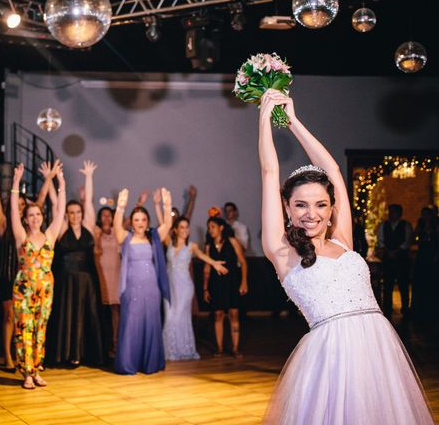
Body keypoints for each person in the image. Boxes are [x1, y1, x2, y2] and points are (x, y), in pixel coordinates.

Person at [258, 89, 433, 424]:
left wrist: (293, 121)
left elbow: (334, 169)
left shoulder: (342, 239)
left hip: (379, 350)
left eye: (321, 204)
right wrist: (265, 119)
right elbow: (269, 172)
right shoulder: (282, 253)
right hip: (331, 359)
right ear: (287, 209)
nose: (312, 213)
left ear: (331, 207)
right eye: (301, 205)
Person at [0, 158, 58, 370]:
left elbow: (41, 199)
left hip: (29, 278)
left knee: (31, 322)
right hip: (7, 274)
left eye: (23, 205)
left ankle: (31, 363)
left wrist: (48, 179)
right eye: (18, 204)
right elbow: (2, 207)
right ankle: (9, 357)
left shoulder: (31, 227)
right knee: (12, 318)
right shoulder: (8, 226)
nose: (20, 207)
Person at [10, 162, 66, 389]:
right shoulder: (20, 235)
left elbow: (60, 211)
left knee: (40, 329)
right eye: (30, 215)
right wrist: (15, 183)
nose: (34, 218)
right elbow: (13, 210)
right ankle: (26, 374)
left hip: (45, 289)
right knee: (24, 329)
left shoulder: (50, 235)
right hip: (24, 288)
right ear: (26, 219)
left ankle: (37, 369)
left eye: (37, 214)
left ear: (42, 217)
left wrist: (61, 184)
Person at [48, 160, 104, 366]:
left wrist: (89, 176)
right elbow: (56, 204)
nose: (75, 215)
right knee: (67, 315)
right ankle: (68, 354)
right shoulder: (62, 227)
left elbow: (88, 200)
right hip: (66, 280)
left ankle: (85, 354)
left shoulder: (89, 224)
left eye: (77, 212)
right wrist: (56, 180)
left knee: (86, 315)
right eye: (71, 212)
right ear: (67, 214)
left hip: (88, 279)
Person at [113, 188, 172, 375]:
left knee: (151, 323)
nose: (139, 223)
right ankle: (128, 363)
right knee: (131, 322)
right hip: (131, 287)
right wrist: (120, 207)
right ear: (131, 222)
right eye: (136, 220)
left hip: (151, 288)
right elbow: (116, 228)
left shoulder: (154, 237)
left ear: (147, 222)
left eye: (143, 220)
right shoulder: (126, 237)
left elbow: (168, 224)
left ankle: (149, 363)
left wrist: (167, 204)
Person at [160, 216, 227, 361]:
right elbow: (163, 224)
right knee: (169, 317)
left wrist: (215, 263)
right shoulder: (168, 242)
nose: (185, 230)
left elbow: (203, 256)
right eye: (182, 227)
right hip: (170, 287)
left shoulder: (192, 246)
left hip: (184, 287)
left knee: (179, 317)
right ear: (176, 230)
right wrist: (161, 205)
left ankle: (183, 350)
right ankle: (169, 350)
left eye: (187, 227)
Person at [203, 216, 248, 358]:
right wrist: (205, 288)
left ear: (221, 227)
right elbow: (206, 269)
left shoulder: (232, 241)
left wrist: (244, 282)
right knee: (218, 314)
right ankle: (220, 348)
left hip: (232, 282)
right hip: (216, 283)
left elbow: (243, 262)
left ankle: (235, 348)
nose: (210, 230)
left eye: (213, 227)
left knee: (234, 314)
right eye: (209, 227)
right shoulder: (208, 246)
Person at [376, 203, 414, 318]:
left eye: (394, 212)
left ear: (399, 213)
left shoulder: (406, 225)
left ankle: (405, 309)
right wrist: (387, 251)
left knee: (403, 284)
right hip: (388, 259)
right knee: (388, 285)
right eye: (390, 212)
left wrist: (396, 251)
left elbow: (407, 241)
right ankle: (387, 309)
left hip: (401, 259)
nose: (391, 214)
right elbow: (381, 239)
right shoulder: (383, 225)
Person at [94, 206, 121, 357]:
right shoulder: (96, 233)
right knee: (102, 310)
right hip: (101, 275)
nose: (106, 218)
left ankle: (116, 344)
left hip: (116, 275)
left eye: (109, 215)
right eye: (103, 215)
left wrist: (138, 203)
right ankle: (104, 345)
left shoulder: (117, 232)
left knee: (115, 310)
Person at [411, 206, 439, 323]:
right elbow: (413, 238)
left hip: (433, 254)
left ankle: (433, 310)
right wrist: (420, 240)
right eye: (423, 214)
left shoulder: (436, 224)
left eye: (427, 214)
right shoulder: (421, 224)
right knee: (420, 282)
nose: (425, 216)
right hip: (422, 255)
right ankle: (419, 311)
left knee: (433, 282)